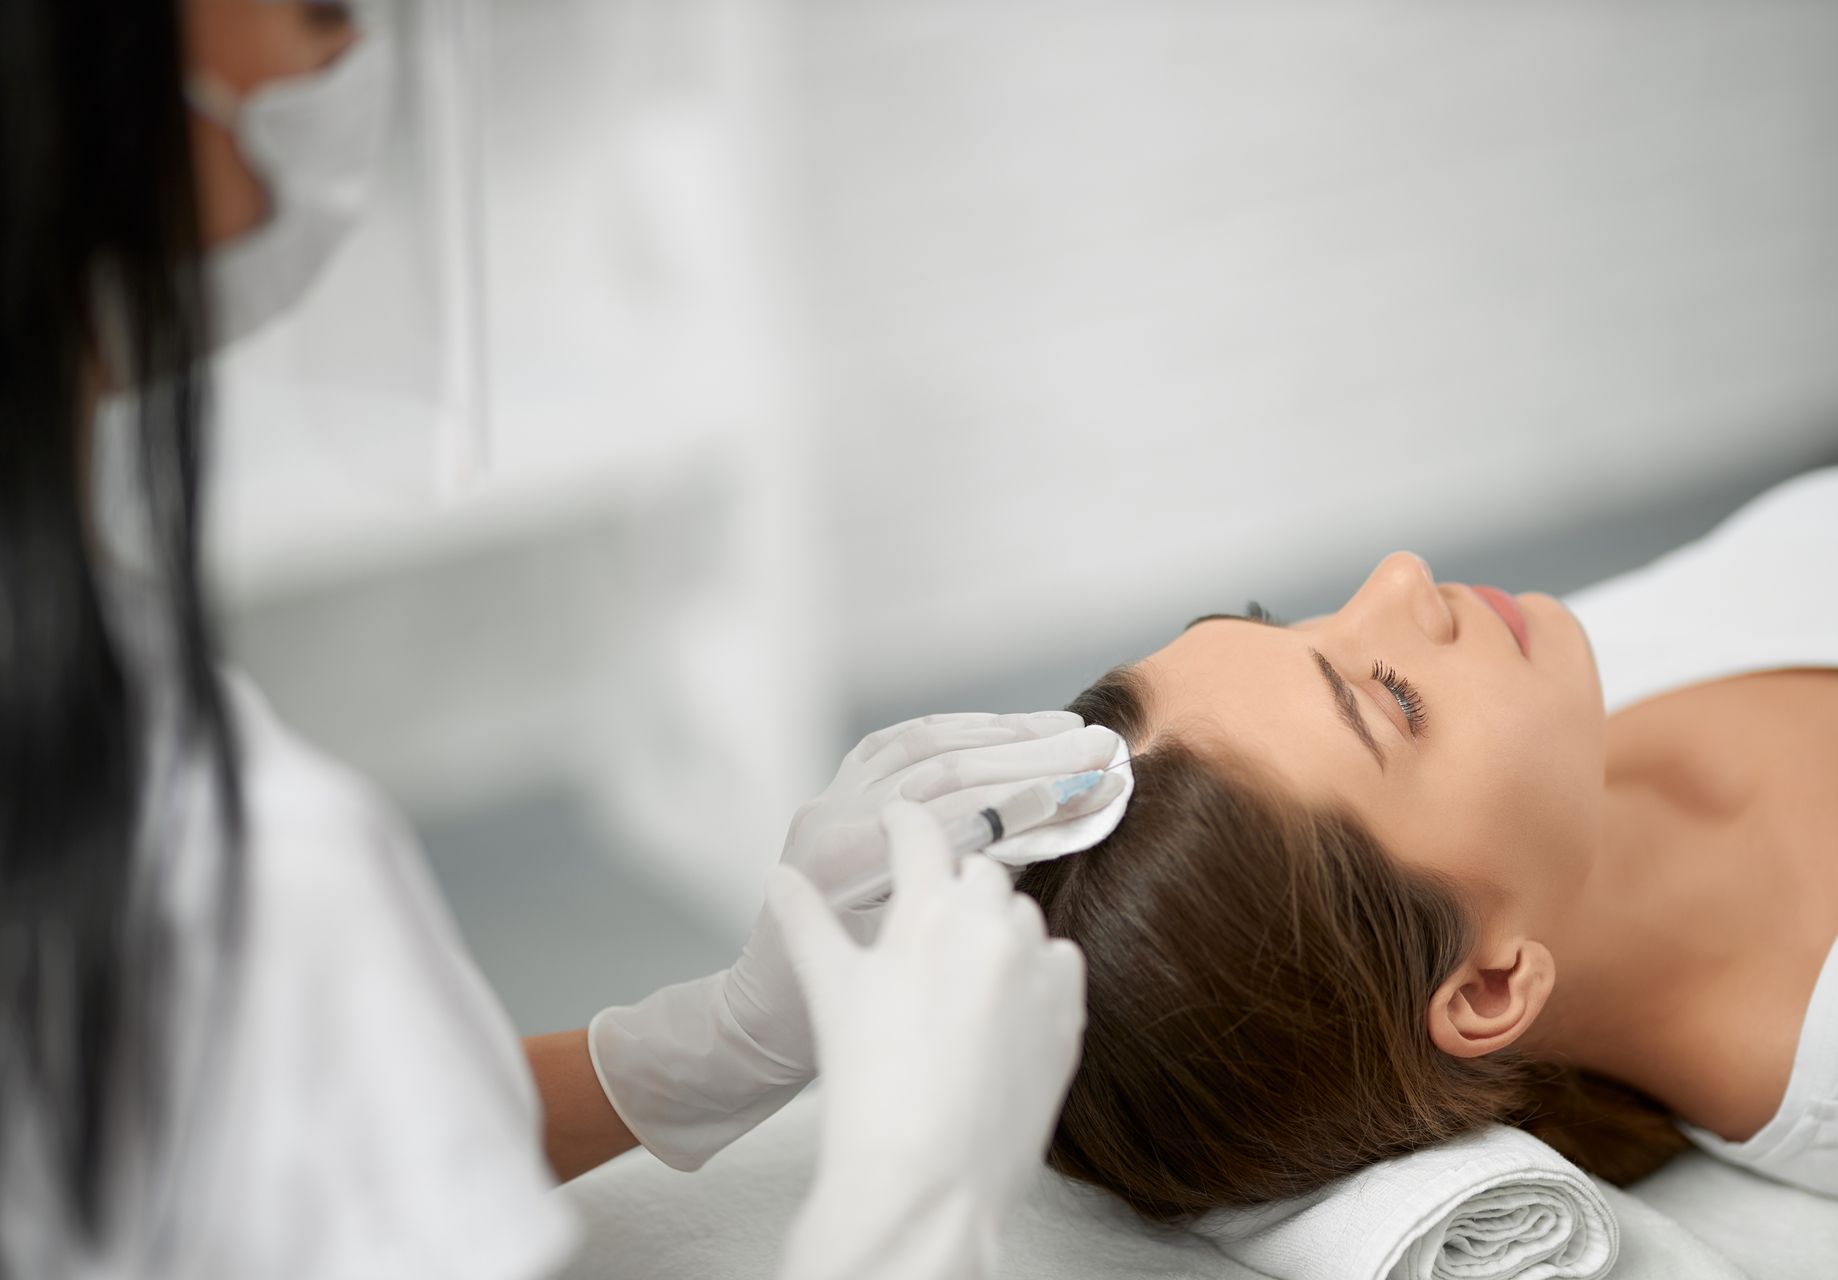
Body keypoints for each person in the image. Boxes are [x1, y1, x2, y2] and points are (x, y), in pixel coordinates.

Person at [0, 2, 1108, 1275]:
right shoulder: (240, 864)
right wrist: (912, 1214)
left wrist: (712, 1048)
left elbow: (286, 1145)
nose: (361, 51)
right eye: (323, 8)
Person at [1017, 463, 1838, 1223]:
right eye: (1393, 699)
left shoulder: (1542, 696)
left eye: (1285, 623)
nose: (1399, 578)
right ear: (1488, 989)